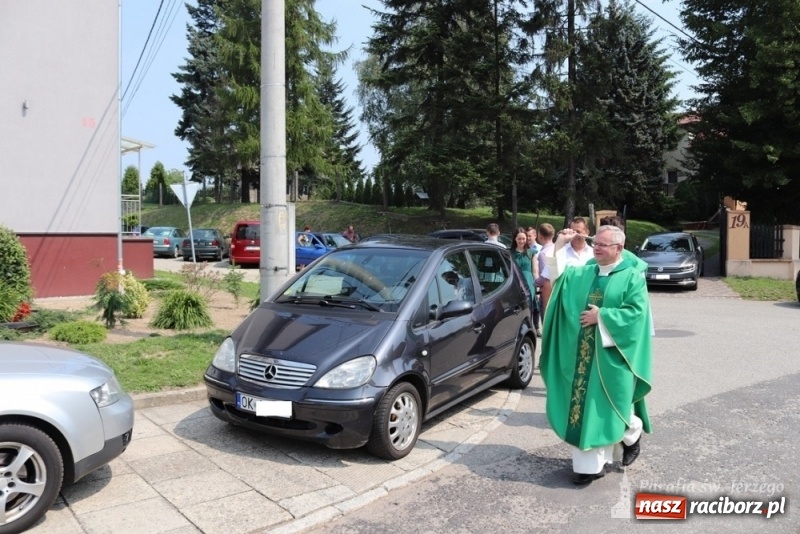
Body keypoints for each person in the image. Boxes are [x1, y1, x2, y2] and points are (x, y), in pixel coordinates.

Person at [540, 225, 653, 486]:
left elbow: (636, 315)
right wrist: (558, 245)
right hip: (581, 356)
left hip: (613, 357)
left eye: (604, 244)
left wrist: (601, 316)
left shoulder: (632, 277)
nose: (597, 248)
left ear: (619, 248)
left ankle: (632, 433)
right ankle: (589, 467)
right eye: (596, 243)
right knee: (584, 409)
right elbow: (556, 281)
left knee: (611, 408)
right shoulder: (585, 272)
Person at [511, 228, 539, 335]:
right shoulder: (510, 253)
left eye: (524, 238)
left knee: (531, 307)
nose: (522, 241)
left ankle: (531, 329)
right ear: (515, 239)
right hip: (515, 283)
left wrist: (537, 288)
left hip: (529, 283)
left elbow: (535, 271)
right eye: (519, 239)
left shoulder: (531, 253)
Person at [536, 223, 555, 322]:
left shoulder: (544, 253)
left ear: (540, 236)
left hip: (547, 290)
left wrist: (533, 282)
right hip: (557, 289)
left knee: (546, 320)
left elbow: (544, 277)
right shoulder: (557, 249)